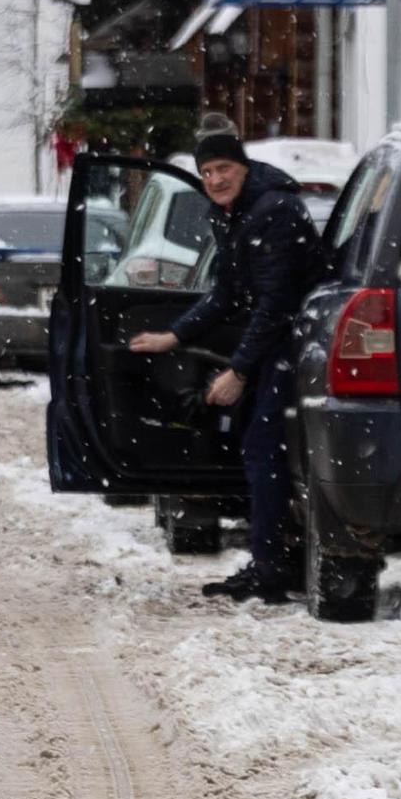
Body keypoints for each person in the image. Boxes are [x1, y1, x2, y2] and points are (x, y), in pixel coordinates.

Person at [127, 116, 321, 604]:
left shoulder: (274, 211)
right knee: (257, 449)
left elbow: (276, 304)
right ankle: (275, 559)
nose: (215, 179)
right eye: (207, 171)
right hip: (275, 340)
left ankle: (272, 569)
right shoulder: (232, 213)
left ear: (242, 166)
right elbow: (229, 293)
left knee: (262, 449)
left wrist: (239, 370)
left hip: (297, 342)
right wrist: (173, 336)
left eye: (224, 168)